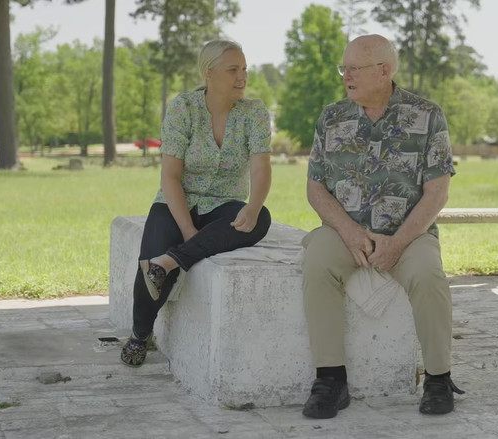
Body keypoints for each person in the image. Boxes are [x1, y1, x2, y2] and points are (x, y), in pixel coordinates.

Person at [300, 34, 462, 419]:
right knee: (317, 261)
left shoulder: (427, 115)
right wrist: (348, 232)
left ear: (384, 70)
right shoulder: (331, 117)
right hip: (345, 232)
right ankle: (330, 380)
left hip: (409, 234)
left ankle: (438, 378)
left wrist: (398, 242)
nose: (346, 76)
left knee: (428, 275)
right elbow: (315, 187)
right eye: (344, 68)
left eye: (354, 68)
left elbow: (437, 192)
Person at [121, 40, 272, 367]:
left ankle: (171, 261)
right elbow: (170, 177)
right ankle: (139, 334)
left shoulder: (255, 113)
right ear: (209, 73)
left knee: (260, 219)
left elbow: (261, 168)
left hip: (224, 204)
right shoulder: (183, 109)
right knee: (150, 257)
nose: (242, 77)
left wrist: (254, 205)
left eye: (244, 69)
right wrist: (188, 230)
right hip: (177, 201)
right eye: (233, 70)